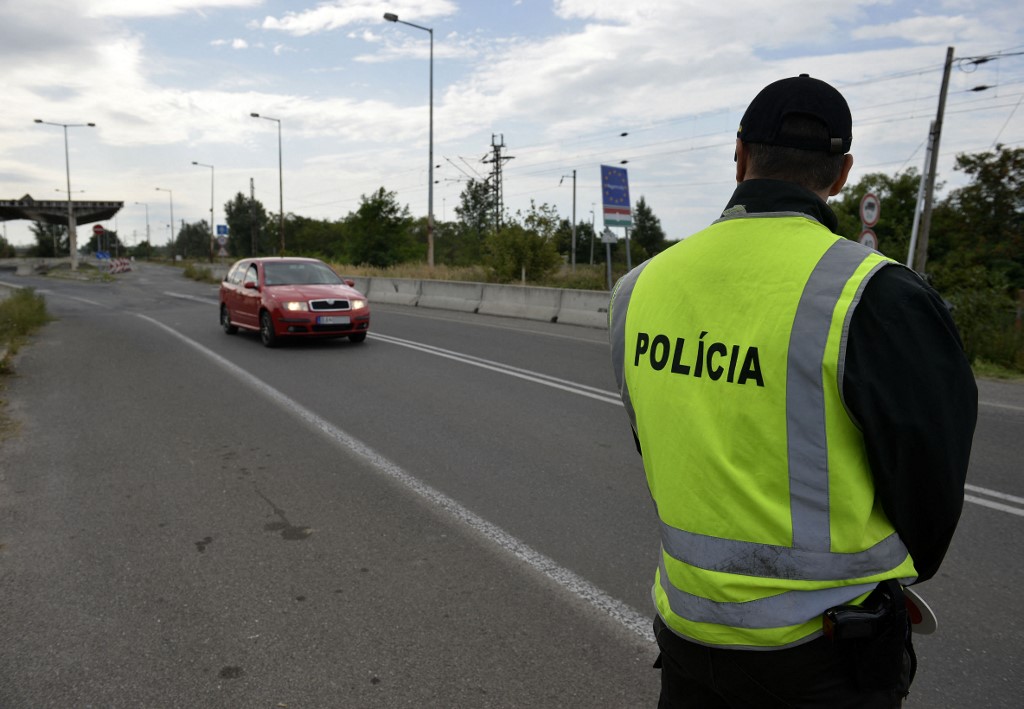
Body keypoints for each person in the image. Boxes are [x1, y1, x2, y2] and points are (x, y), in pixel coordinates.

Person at [608, 74, 977, 708]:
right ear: (841, 174)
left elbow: (661, 443)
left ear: (740, 156)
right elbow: (930, 484)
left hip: (688, 635)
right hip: (827, 651)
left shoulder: (637, 289)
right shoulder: (878, 294)